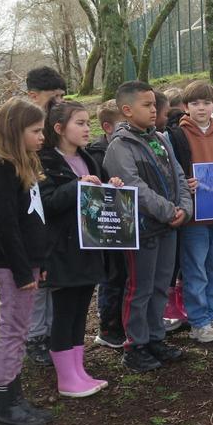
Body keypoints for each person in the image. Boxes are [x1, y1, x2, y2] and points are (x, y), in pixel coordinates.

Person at [103, 82, 193, 372]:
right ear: (127, 110)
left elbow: (178, 175)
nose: (154, 110)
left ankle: (156, 338)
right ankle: (135, 345)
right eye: (146, 105)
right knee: (139, 288)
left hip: (168, 226)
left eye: (155, 104)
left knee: (160, 286)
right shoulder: (121, 146)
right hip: (142, 229)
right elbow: (133, 186)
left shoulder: (161, 138)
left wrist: (185, 208)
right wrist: (169, 211)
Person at [0, 98, 53, 425]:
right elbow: (7, 226)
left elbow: (33, 220)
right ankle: (4, 405)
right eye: (36, 131)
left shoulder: (26, 164)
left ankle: (15, 396)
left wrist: (38, 262)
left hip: (29, 263)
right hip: (13, 267)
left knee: (20, 330)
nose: (42, 137)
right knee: (12, 331)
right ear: (16, 131)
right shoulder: (3, 170)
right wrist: (23, 269)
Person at [38, 101, 110, 397]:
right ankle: (66, 378)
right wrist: (77, 185)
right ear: (58, 129)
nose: (86, 128)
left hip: (89, 246)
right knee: (65, 311)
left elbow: (96, 190)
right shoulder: (44, 162)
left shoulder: (89, 158)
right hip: (62, 249)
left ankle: (79, 369)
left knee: (82, 308)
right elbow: (48, 202)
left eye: (87, 122)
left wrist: (110, 187)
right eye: (79, 123)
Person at [167, 81, 213, 344]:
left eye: (206, 103)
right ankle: (198, 321)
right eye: (195, 103)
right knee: (195, 267)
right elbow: (172, 173)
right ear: (185, 107)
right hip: (194, 215)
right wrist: (185, 182)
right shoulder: (176, 136)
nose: (201, 108)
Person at [23, 66, 67, 367]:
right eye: (53, 99)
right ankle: (35, 337)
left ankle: (51, 333)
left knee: (53, 277)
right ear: (33, 96)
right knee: (37, 281)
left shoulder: (54, 130)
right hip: (33, 217)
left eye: (63, 97)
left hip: (56, 218)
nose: (59, 104)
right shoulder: (23, 132)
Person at [90, 100, 126, 349]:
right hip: (107, 225)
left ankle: (122, 321)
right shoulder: (96, 153)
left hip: (126, 222)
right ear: (107, 127)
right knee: (111, 276)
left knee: (125, 274)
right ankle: (108, 326)